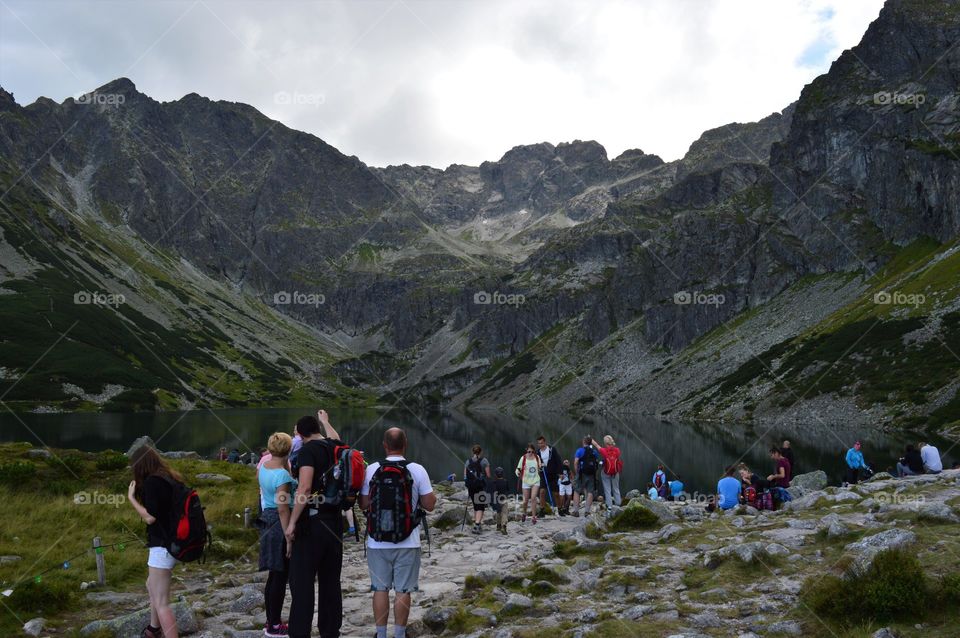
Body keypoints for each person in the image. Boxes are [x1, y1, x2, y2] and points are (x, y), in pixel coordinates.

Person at [359, 428, 436, 638]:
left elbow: (363, 504)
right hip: (408, 540)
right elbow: (430, 505)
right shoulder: (417, 469)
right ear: (406, 444)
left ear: (384, 445)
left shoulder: (373, 469)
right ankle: (400, 635)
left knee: (380, 588)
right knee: (403, 590)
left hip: (377, 541)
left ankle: (381, 634)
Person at [284, 410, 344, 638]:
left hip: (312, 523)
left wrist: (292, 523)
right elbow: (335, 436)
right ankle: (330, 631)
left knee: (303, 581)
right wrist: (326, 421)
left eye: (295, 433)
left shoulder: (308, 451)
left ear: (300, 433)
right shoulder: (334, 447)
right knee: (330, 580)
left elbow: (305, 488)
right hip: (335, 522)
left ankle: (300, 632)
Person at [127, 445, 183, 638]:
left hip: (162, 545)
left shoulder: (152, 482)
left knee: (161, 602)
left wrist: (132, 498)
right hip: (175, 541)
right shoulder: (170, 477)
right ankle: (153, 628)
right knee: (151, 584)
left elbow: (150, 517)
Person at [258, 433, 296, 638]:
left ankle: (270, 620)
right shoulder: (281, 476)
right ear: (288, 450)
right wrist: (289, 535)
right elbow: (283, 508)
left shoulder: (264, 467)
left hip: (266, 519)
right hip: (278, 523)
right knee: (280, 575)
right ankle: (274, 625)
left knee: (274, 574)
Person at [464, 445, 492, 534]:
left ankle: (477, 523)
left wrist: (468, 483)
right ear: (481, 452)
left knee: (476, 505)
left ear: (473, 452)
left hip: (471, 486)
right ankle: (477, 525)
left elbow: (465, 475)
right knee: (481, 505)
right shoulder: (484, 461)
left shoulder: (468, 461)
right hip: (480, 486)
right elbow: (488, 475)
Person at [571, 436, 601, 517]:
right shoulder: (594, 452)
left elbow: (576, 462)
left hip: (581, 474)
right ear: (591, 443)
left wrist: (577, 471)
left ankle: (576, 511)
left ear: (583, 442)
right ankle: (587, 511)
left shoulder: (580, 451)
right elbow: (596, 463)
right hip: (591, 474)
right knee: (590, 492)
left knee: (577, 491)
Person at [594, 435, 622, 513]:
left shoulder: (604, 451)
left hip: (606, 472)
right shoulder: (617, 450)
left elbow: (596, 445)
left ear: (605, 443)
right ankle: (618, 504)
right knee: (616, 488)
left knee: (607, 489)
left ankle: (609, 506)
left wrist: (591, 440)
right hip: (615, 472)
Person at [515, 443, 542, 523]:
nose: (530, 453)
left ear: (533, 451)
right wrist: (518, 473)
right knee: (525, 501)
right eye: (528, 451)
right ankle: (524, 513)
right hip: (526, 480)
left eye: (531, 452)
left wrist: (541, 467)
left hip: (535, 480)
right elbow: (518, 468)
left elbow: (540, 466)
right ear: (526, 451)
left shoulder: (537, 457)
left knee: (533, 498)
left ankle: (534, 517)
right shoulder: (523, 458)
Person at [536, 436, 563, 515]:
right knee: (542, 491)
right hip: (543, 474)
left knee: (556, 493)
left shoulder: (552, 450)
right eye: (538, 443)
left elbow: (558, 460)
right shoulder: (537, 453)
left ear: (545, 442)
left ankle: (560, 509)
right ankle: (542, 510)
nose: (540, 445)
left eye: (541, 443)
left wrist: (560, 473)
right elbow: (536, 463)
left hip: (553, 474)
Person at [491, 467, 510, 535]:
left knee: (498, 512)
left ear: (495, 474)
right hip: (504, 499)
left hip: (497, 500)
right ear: (503, 474)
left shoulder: (494, 482)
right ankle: (503, 525)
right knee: (504, 513)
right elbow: (508, 489)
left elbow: (493, 491)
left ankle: (498, 525)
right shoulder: (505, 481)